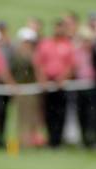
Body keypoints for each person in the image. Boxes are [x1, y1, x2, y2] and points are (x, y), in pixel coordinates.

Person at [34, 19, 75, 147]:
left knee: (60, 113)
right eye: (57, 28)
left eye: (61, 28)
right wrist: (42, 79)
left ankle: (57, 140)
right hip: (47, 84)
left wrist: (63, 78)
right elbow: (39, 63)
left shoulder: (68, 45)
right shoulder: (45, 43)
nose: (59, 30)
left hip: (61, 85)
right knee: (48, 112)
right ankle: (51, 139)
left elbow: (71, 65)